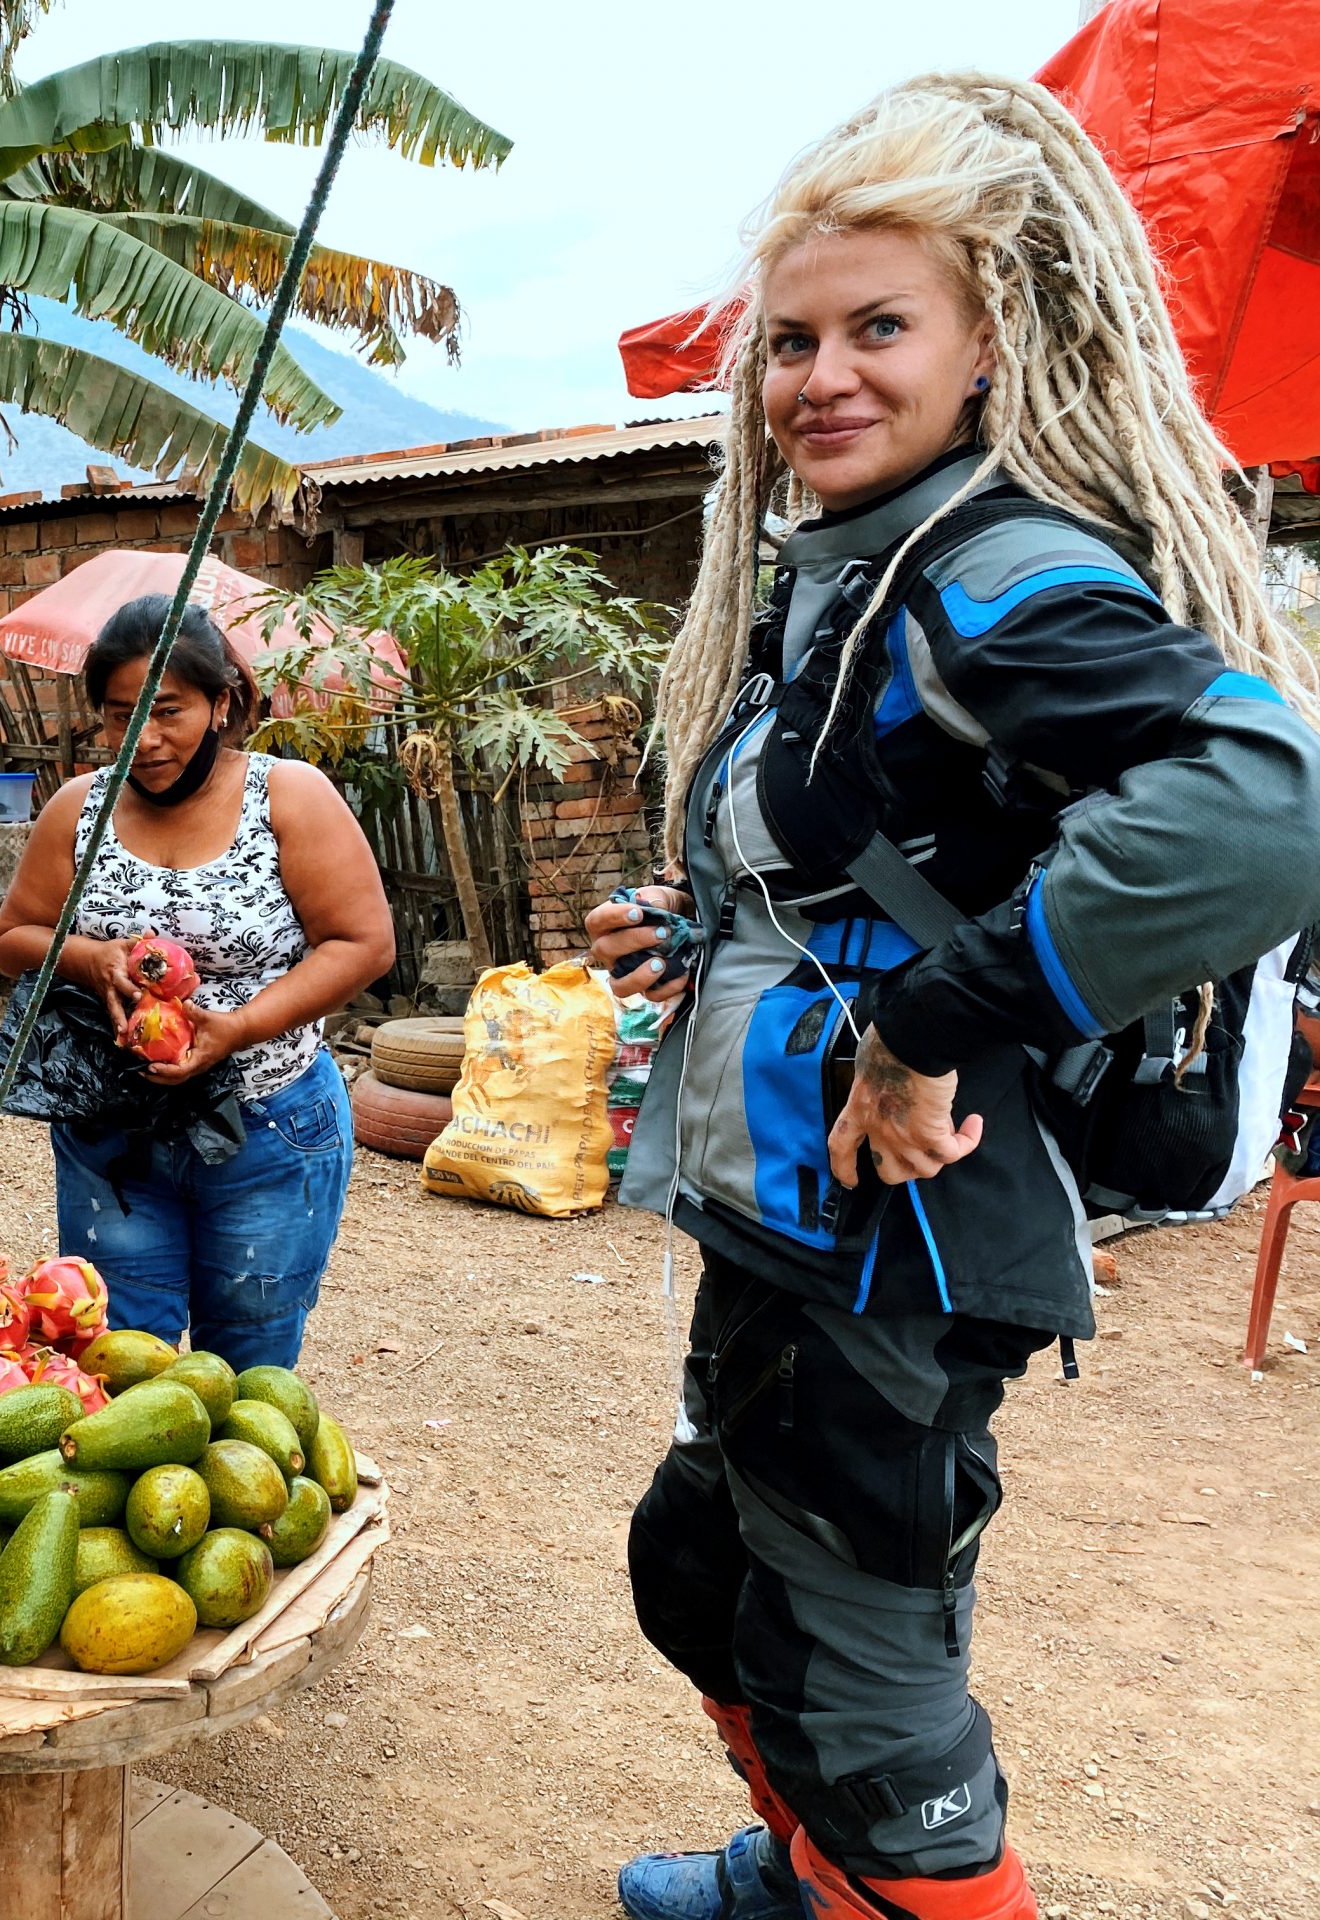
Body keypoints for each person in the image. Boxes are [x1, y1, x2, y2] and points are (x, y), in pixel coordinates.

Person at [591, 75, 1320, 1920]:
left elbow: (1267, 809)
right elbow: (869, 864)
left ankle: (873, 1869)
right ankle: (804, 1875)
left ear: (990, 344)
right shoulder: (849, 577)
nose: (822, 376)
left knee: (874, 1685)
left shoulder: (995, 576)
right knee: (704, 1567)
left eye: (880, 328)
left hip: (905, 1228)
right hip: (794, 1212)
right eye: (793, 340)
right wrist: (706, 937)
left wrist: (924, 1022)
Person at [0, 595, 394, 1369]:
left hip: (269, 1122)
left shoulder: (287, 797)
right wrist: (91, 957)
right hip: (113, 1129)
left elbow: (364, 944)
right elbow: (12, 941)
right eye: (117, 716)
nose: (141, 739)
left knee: (248, 1358)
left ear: (222, 702)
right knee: (118, 1354)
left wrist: (238, 1029)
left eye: (167, 710)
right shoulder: (80, 808)